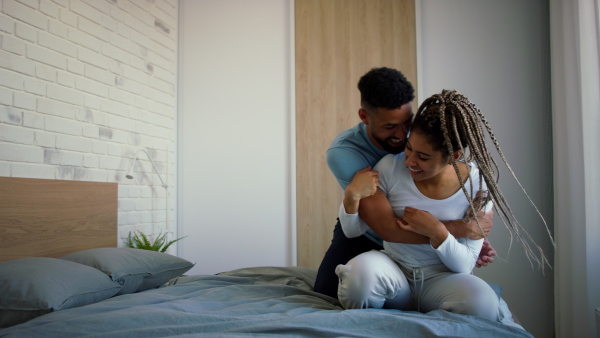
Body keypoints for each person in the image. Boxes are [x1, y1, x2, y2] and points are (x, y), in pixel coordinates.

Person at [335, 89, 552, 321]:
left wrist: (437, 231)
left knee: (483, 302)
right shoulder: (388, 168)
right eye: (408, 148)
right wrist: (457, 228)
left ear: (453, 155)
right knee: (358, 278)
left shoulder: (477, 186)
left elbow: (465, 266)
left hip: (443, 280)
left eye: (423, 157)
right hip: (395, 268)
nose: (409, 161)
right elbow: (362, 229)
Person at [313, 67, 495, 300]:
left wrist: (467, 244)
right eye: (390, 126)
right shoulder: (345, 153)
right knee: (329, 292)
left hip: (418, 238)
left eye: (407, 122)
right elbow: (386, 228)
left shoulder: (423, 136)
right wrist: (460, 229)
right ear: (364, 117)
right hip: (368, 230)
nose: (403, 135)